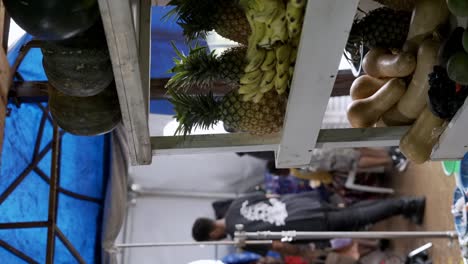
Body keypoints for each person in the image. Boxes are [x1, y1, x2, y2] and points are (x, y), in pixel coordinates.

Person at [191, 192, 425, 254]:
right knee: (353, 213)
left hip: (305, 225)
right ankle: (405, 206)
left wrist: (301, 252)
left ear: (212, 235)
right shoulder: (236, 204)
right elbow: (271, 197)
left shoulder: (240, 237)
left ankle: (408, 204)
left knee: (357, 218)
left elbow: (278, 246)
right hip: (302, 204)